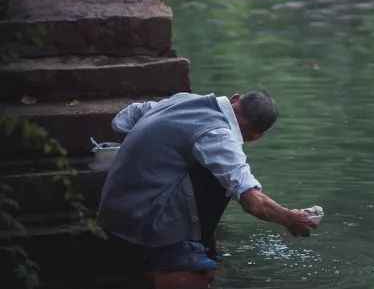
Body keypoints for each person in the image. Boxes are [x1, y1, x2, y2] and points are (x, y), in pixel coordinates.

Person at [97, 89, 318, 272]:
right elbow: (252, 200)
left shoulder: (183, 100)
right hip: (139, 223)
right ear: (256, 137)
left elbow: (122, 121)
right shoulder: (218, 135)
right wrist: (289, 219)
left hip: (114, 211)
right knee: (224, 179)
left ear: (234, 98)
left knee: (210, 164)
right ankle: (176, 251)